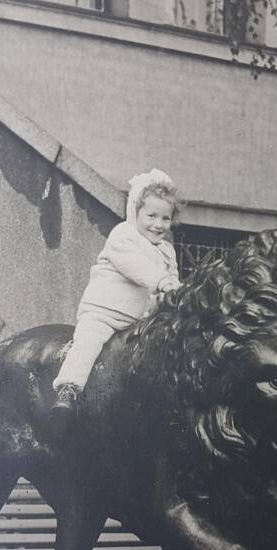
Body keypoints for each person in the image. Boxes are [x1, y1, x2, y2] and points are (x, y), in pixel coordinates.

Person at [52, 168, 181, 416]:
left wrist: (175, 291)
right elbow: (133, 264)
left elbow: (172, 280)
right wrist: (162, 281)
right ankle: (68, 388)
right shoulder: (124, 235)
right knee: (88, 342)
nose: (158, 224)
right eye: (151, 216)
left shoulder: (167, 250)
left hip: (141, 321)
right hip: (106, 311)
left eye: (165, 218)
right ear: (136, 212)